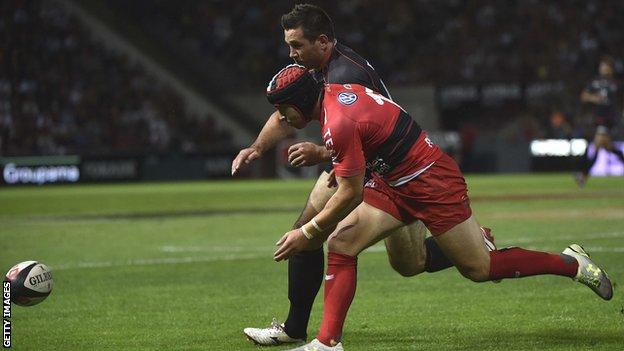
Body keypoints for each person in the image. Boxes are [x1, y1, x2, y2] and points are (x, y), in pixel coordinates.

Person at [263, 64, 613, 351]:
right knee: (343, 242)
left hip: (431, 182)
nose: (282, 117)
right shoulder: (335, 98)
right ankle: (327, 343)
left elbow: (350, 193)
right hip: (396, 180)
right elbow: (369, 135)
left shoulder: (336, 120)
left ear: (298, 102)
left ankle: (571, 263)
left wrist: (307, 231)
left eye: (282, 109)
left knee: (480, 269)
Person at [232, 4, 495, 346]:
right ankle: (294, 328)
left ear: (323, 42)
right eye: (289, 45)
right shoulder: (315, 68)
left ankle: (477, 240)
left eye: (297, 45)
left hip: (387, 172)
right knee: (307, 234)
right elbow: (286, 115)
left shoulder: (344, 76)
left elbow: (363, 135)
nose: (291, 54)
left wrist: (321, 153)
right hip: (362, 167)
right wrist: (256, 147)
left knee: (407, 262)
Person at [575, 55, 624, 186]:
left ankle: (583, 175)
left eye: (606, 66)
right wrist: (595, 98)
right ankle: (583, 176)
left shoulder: (616, 83)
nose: (603, 68)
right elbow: (584, 96)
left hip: (610, 118)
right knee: (607, 146)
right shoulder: (595, 82)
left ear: (611, 69)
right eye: (602, 66)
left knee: (598, 144)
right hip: (599, 118)